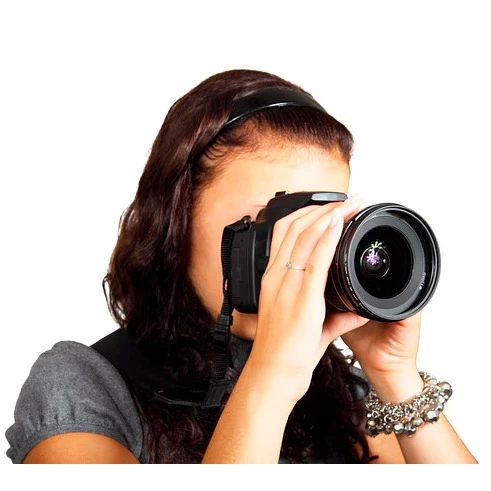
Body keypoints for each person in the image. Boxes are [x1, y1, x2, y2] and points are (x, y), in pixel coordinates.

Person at [5, 69, 477, 464]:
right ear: (175, 224)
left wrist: (393, 375)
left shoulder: (336, 388)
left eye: (320, 226)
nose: (300, 253)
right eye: (272, 223)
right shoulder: (83, 385)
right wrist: (272, 379)